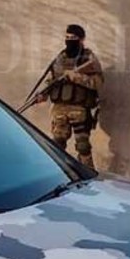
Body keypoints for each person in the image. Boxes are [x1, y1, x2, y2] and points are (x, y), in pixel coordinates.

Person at [37, 24, 104, 168]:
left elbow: (97, 83)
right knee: (57, 145)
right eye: (67, 37)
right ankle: (59, 172)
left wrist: (76, 77)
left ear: (82, 39)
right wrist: (44, 94)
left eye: (73, 37)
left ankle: (88, 172)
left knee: (83, 146)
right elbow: (52, 79)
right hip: (59, 108)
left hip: (79, 109)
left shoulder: (89, 58)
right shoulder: (60, 57)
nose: (69, 40)